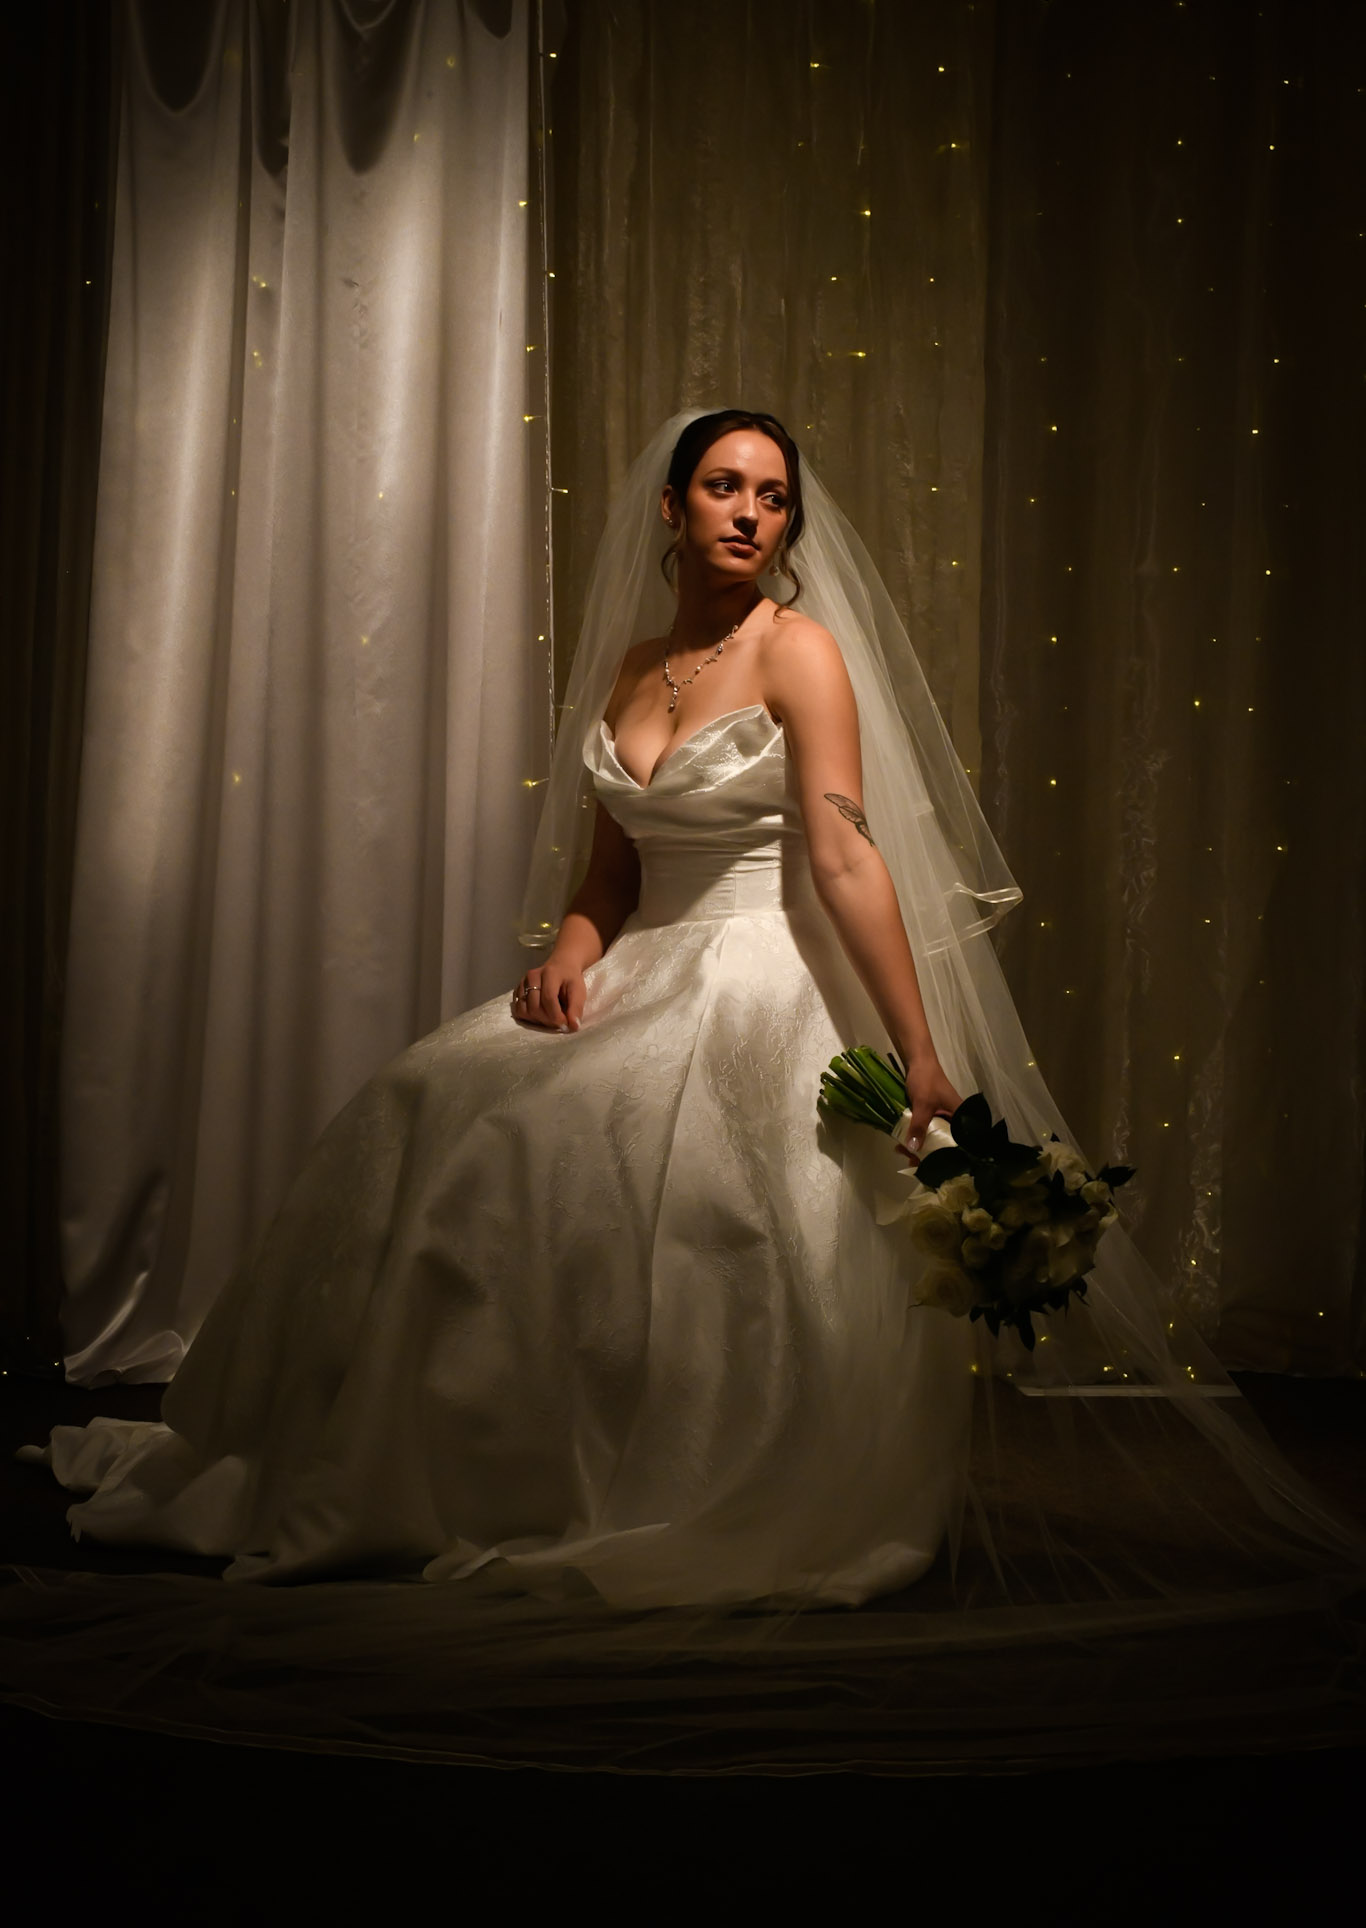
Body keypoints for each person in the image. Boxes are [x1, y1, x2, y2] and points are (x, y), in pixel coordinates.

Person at [24, 407, 1364, 1616]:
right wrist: (568, 944)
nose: (747, 513)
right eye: (721, 487)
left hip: (759, 972)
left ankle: (671, 1475)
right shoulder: (628, 664)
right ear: (668, 509)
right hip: (639, 961)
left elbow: (842, 852)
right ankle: (470, 1468)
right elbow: (609, 867)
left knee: (666, 1184)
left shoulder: (800, 653)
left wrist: (917, 1050)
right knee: (434, 1099)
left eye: (771, 496)